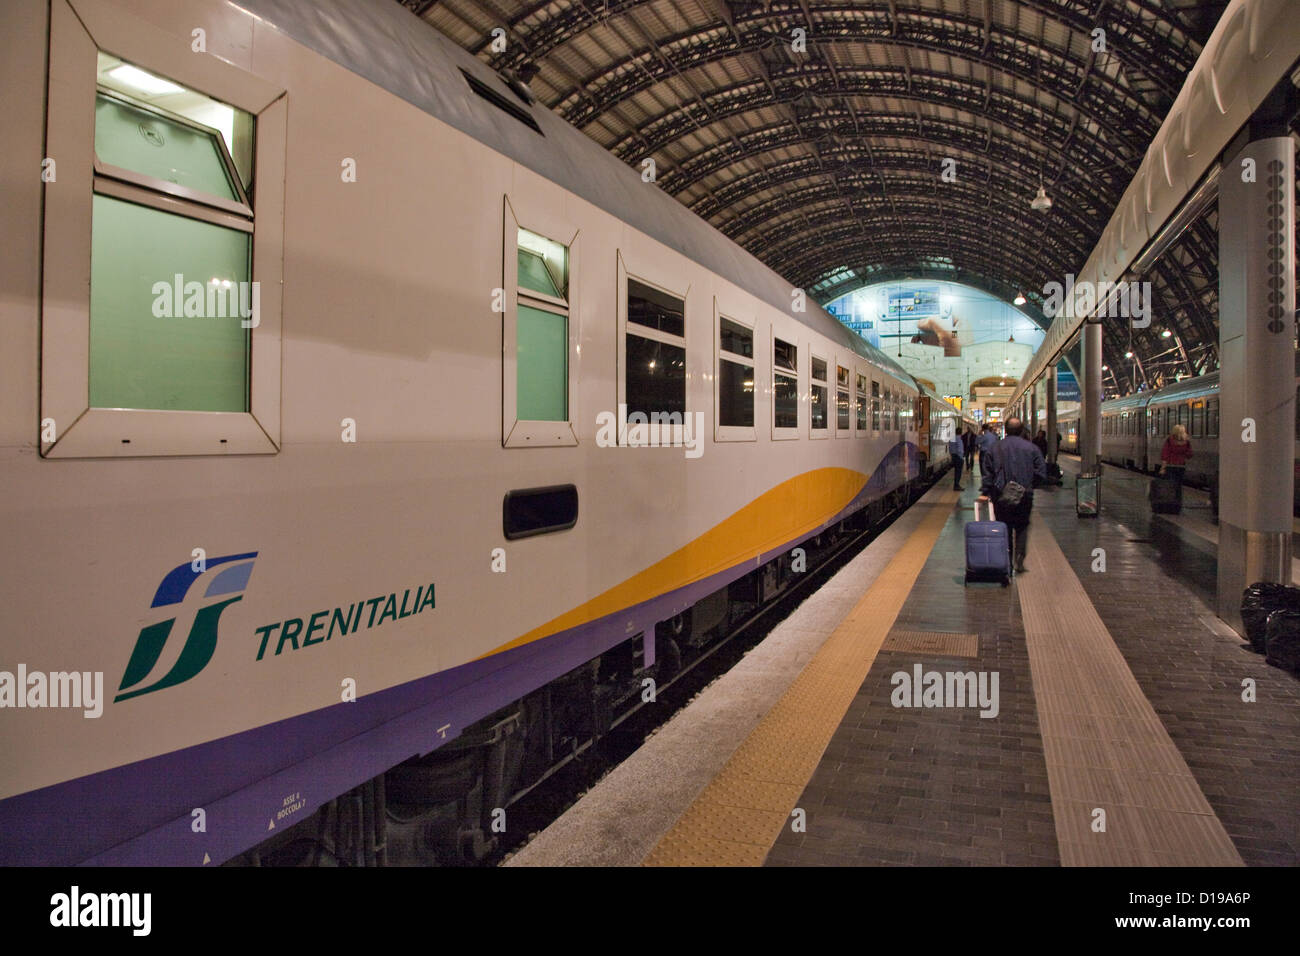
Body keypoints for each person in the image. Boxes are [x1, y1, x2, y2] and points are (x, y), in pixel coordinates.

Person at [979, 417, 1047, 574]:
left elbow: (987, 473)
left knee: (1004, 527)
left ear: (1006, 430)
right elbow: (1041, 473)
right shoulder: (1032, 448)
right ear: (1022, 430)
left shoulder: (995, 448)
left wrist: (986, 491)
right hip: (1025, 495)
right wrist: (1029, 486)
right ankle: (1020, 559)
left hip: (1001, 495)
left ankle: (1007, 562)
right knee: (1022, 526)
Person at [1160, 424, 1192, 505]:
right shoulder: (1186, 442)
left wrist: (1163, 468)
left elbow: (1165, 454)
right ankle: (1178, 502)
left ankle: (1170, 502)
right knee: (1178, 485)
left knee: (1170, 485)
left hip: (1171, 466)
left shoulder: (1170, 441)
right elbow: (1189, 454)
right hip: (1181, 466)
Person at [948, 423, 965, 491]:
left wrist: (952, 455)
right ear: (960, 432)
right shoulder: (959, 439)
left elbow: (950, 448)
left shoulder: (952, 438)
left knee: (956, 471)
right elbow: (960, 449)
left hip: (954, 456)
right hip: (958, 457)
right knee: (958, 472)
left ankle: (956, 484)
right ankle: (956, 485)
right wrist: (961, 457)